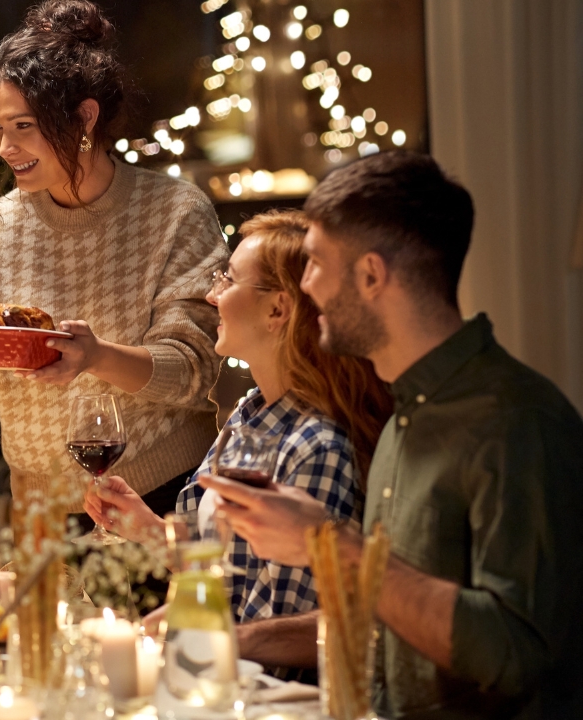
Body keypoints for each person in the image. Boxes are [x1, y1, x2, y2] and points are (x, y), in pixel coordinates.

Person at [201, 151, 583, 718]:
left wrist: (328, 545)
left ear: (372, 275)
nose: (306, 288)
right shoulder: (406, 411)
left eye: (315, 264)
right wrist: (246, 639)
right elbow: (394, 611)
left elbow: (516, 652)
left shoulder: (517, 421)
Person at [0, 0, 227, 522]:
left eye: (24, 126)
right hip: (42, 514)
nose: (5, 147)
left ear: (84, 117)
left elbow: (196, 371)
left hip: (162, 499)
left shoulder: (173, 212)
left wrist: (96, 356)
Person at [83, 210, 392, 680]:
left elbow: (274, 636)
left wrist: (186, 646)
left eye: (227, 280)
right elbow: (224, 563)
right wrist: (147, 528)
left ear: (277, 310)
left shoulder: (316, 446)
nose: (212, 295)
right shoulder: (248, 415)